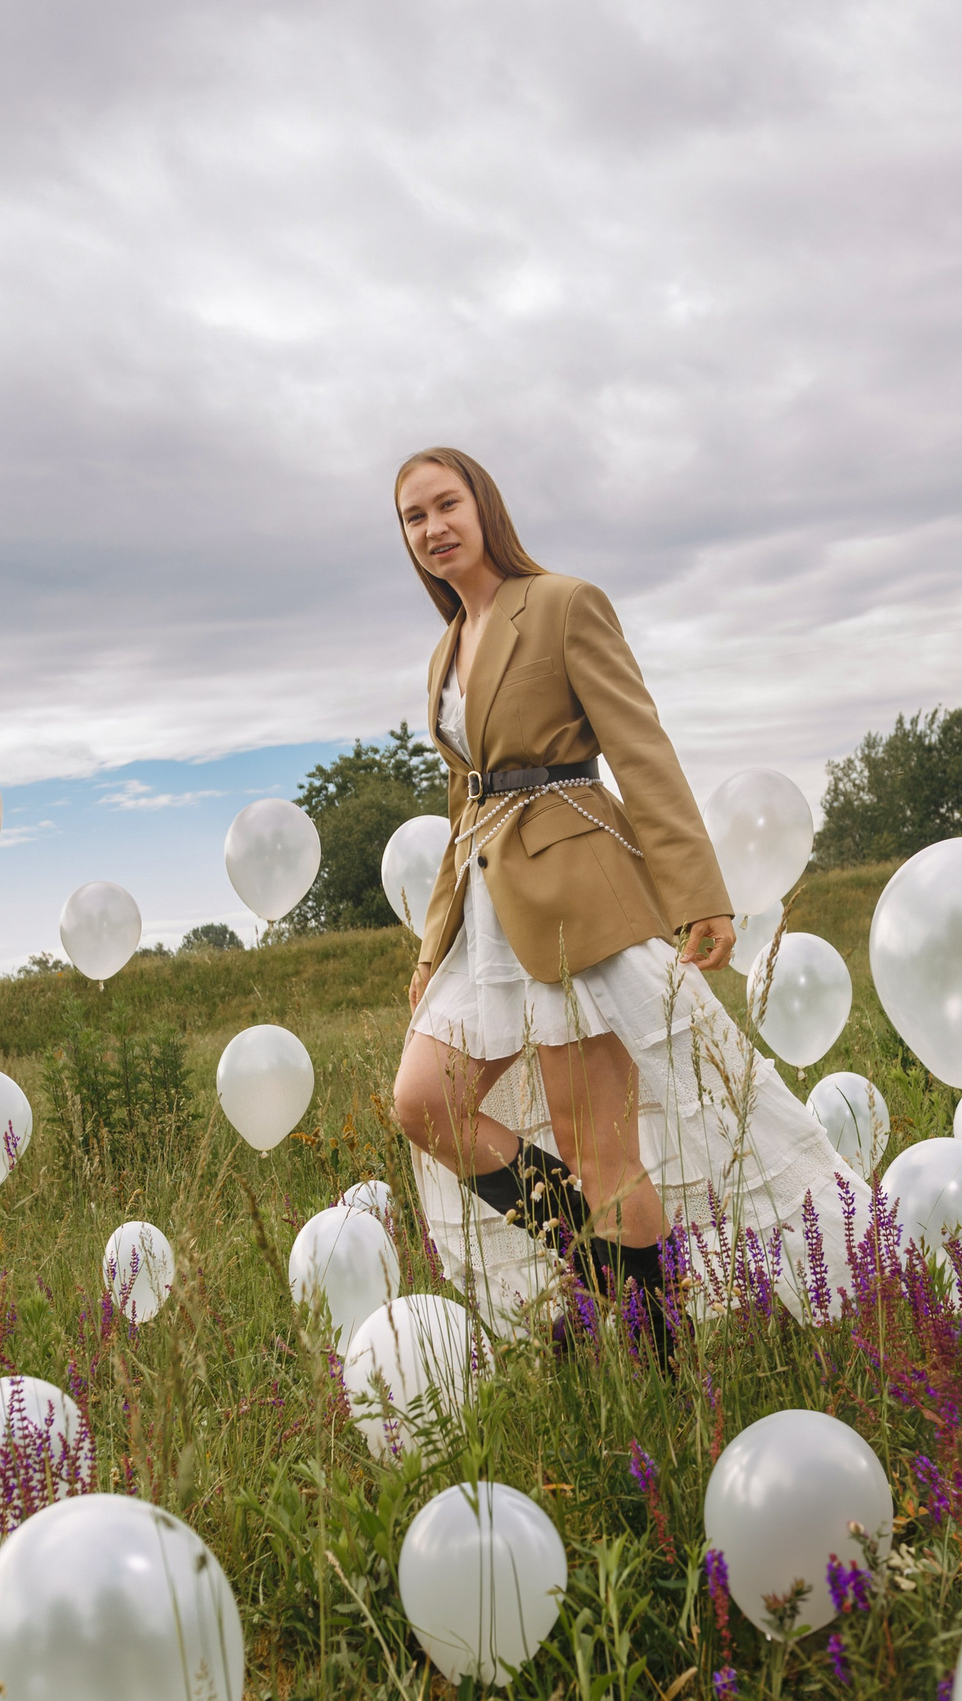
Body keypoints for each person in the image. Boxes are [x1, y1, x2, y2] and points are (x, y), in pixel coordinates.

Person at [387, 446, 854, 1352]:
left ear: (484, 506)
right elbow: (463, 803)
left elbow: (640, 748)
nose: (434, 528)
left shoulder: (561, 604)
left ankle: (655, 1350)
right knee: (423, 1103)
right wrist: (430, 946)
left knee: (599, 1151)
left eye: (447, 505)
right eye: (414, 518)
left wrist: (698, 896)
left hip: (577, 901)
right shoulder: (444, 649)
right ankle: (624, 1284)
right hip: (486, 911)